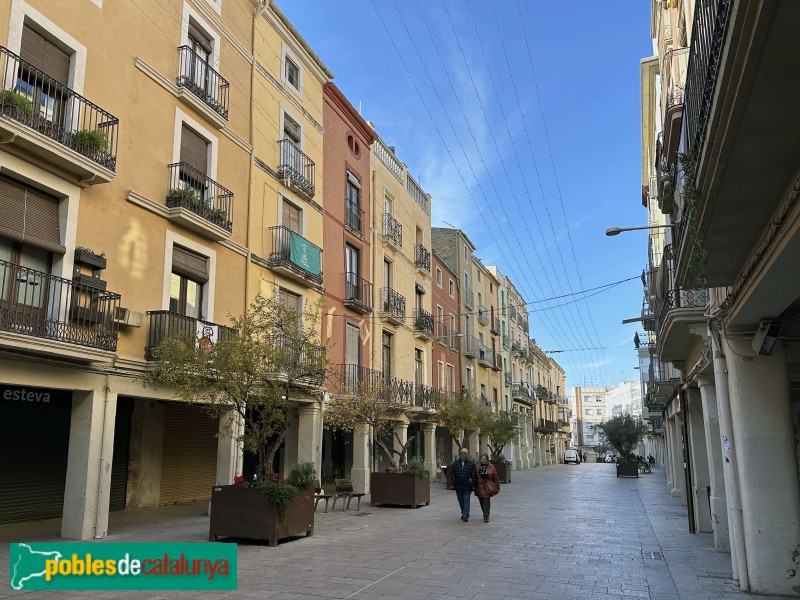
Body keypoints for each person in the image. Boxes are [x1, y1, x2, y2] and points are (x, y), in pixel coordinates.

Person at [450, 448, 475, 522]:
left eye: (465, 453)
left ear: (467, 454)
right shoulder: (456, 463)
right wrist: (454, 481)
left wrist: (471, 482)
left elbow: (473, 474)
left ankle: (465, 516)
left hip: (467, 486)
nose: (463, 454)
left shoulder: (471, 464)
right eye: (462, 453)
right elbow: (452, 473)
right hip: (458, 486)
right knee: (461, 501)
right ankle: (463, 512)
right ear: (459, 454)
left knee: (466, 501)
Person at [474, 453, 500, 523]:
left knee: (486, 501)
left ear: (487, 460)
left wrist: (497, 486)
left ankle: (486, 516)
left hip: (487, 487)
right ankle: (485, 512)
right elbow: (474, 476)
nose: (482, 460)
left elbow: (496, 477)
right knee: (481, 502)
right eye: (481, 458)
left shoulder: (491, 467)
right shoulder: (477, 466)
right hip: (479, 487)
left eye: (484, 458)